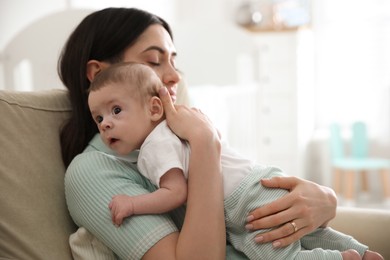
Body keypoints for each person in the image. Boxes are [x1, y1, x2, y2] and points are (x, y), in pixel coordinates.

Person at [60, 7, 341, 259]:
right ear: (98, 74)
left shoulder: (177, 135)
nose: (174, 76)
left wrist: (326, 201)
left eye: (173, 60)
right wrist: (206, 143)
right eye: (155, 61)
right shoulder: (92, 171)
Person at [87, 62, 383, 260]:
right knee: (311, 232)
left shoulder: (154, 145)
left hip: (241, 200)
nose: (105, 124)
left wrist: (133, 204)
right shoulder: (184, 125)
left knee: (272, 251)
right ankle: (357, 250)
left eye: (116, 111)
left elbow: (175, 192)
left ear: (154, 108)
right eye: (98, 118)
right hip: (259, 178)